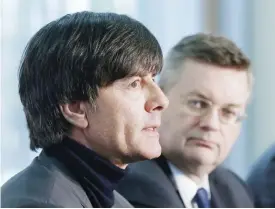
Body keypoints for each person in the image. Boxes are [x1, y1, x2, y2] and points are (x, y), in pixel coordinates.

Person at [1, 11, 169, 208]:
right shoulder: (40, 203)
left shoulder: (116, 202)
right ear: (76, 109)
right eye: (134, 84)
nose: (161, 100)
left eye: (153, 79)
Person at [117, 33, 255, 207]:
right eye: (198, 104)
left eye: (228, 112)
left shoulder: (235, 190)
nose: (211, 124)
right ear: (159, 99)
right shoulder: (129, 188)